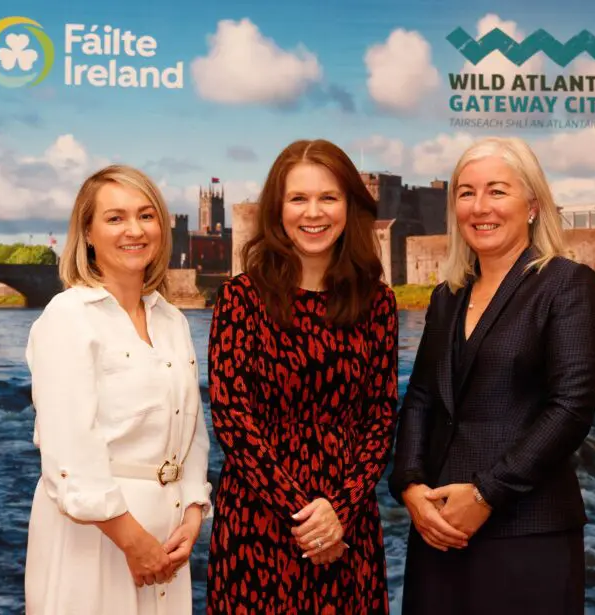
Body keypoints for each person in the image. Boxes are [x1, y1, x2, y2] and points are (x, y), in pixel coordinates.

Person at [388, 137, 595, 614]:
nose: (479, 206)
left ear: (532, 204)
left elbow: (570, 409)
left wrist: (487, 493)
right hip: (439, 528)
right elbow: (422, 398)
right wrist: (409, 485)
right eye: (465, 193)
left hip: (526, 531)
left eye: (496, 191)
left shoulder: (567, 284)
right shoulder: (447, 296)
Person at [206, 139, 398, 613]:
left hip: (347, 523)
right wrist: (308, 517)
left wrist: (341, 512)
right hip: (258, 521)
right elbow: (233, 420)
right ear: (278, 209)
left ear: (349, 206)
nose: (314, 213)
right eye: (299, 198)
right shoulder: (240, 299)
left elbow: (379, 419)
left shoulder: (378, 303)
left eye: (328, 198)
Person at [23, 165, 212, 615]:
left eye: (146, 216)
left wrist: (191, 511)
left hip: (167, 540)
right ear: (87, 232)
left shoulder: (171, 320)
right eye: (115, 218)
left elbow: (191, 429)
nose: (135, 230)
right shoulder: (67, 317)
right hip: (97, 538)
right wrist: (132, 540)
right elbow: (68, 448)